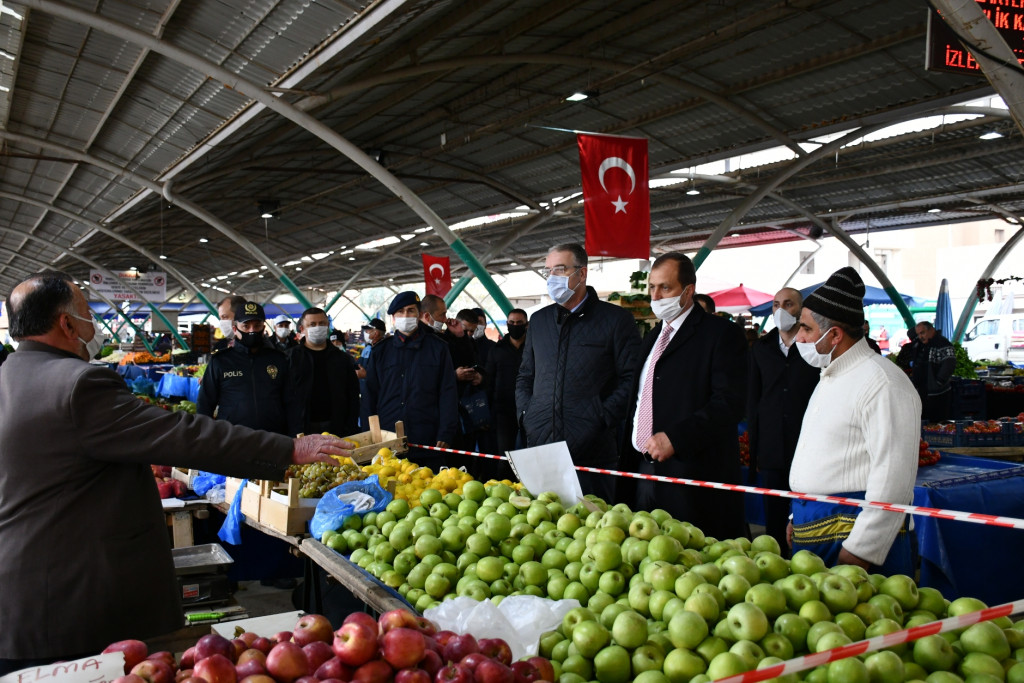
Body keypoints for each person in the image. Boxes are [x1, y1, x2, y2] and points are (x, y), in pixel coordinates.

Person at [0, 271, 350, 674]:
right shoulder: (78, 385)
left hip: (22, 598)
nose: (91, 326)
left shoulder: (9, 376)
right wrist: (288, 448)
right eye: (85, 314)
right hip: (66, 603)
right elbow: (183, 435)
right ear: (66, 324)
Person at [788, 267, 921, 574]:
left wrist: (861, 550)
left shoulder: (883, 383)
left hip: (850, 535)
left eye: (806, 329)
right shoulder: (831, 376)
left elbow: (893, 480)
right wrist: (797, 516)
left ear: (834, 334)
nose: (800, 337)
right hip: (815, 526)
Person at [624, 253, 749, 540]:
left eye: (665, 288)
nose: (655, 296)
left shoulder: (721, 335)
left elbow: (729, 403)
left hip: (691, 476)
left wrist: (677, 438)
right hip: (642, 470)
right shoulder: (653, 337)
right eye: (651, 288)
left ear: (688, 290)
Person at [516, 243, 640, 502]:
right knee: (542, 526)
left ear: (581, 274)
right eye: (547, 270)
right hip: (541, 445)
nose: (552, 277)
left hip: (592, 449)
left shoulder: (616, 320)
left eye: (559, 269)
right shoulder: (538, 321)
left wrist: (601, 417)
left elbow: (631, 379)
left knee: (596, 530)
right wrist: (527, 415)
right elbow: (525, 376)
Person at [747, 287, 820, 555]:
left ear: (800, 310)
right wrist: (755, 454)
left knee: (806, 512)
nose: (781, 310)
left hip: (807, 445)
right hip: (771, 445)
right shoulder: (761, 349)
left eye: (788, 304)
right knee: (774, 516)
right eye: (776, 304)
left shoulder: (814, 349)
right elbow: (753, 400)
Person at [363, 291, 459, 470]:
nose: (405, 316)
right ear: (393, 318)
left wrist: (446, 431)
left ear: (420, 315)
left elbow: (447, 392)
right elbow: (370, 395)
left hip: (427, 435)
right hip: (387, 436)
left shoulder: (438, 349)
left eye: (410, 311)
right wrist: (369, 434)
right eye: (400, 312)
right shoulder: (381, 352)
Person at [198, 301, 297, 435]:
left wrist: (295, 436)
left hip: (275, 439)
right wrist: (206, 437)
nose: (252, 331)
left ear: (263, 327)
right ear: (235, 329)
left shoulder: (279, 359)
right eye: (246, 326)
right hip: (232, 440)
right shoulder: (220, 361)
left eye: (257, 326)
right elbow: (205, 405)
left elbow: (291, 402)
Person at [288, 307, 360, 437]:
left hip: (336, 426)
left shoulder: (342, 359)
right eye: (312, 324)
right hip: (302, 427)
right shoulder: (290, 358)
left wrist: (351, 427)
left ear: (327, 327)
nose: (318, 327)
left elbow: (353, 395)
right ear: (302, 329)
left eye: (322, 324)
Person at [484, 309, 528, 468]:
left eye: (519, 323)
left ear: (527, 325)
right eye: (512, 323)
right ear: (507, 324)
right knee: (504, 455)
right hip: (503, 410)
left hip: (529, 409)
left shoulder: (534, 348)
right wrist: (487, 412)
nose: (515, 326)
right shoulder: (497, 349)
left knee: (529, 453)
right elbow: (489, 381)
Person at [910, 320, 955, 421]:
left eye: (923, 333)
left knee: (938, 423)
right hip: (923, 392)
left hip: (938, 394)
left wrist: (938, 382)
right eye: (918, 334)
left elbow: (949, 363)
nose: (920, 336)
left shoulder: (943, 343)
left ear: (931, 330)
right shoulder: (920, 345)